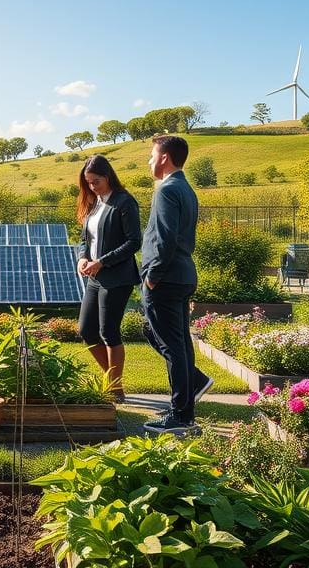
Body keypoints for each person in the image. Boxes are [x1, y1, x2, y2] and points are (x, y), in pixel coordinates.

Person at [139, 135, 213, 436]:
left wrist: (153, 274)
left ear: (165, 157)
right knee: (179, 343)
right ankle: (189, 394)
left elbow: (165, 237)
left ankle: (181, 415)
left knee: (172, 346)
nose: (149, 161)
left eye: (151, 155)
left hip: (166, 279)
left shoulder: (167, 189)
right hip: (182, 275)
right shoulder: (186, 188)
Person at [75, 155, 141, 402]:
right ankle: (111, 380)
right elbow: (85, 239)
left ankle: (115, 387)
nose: (92, 186)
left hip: (117, 278)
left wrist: (102, 261)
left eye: (96, 181)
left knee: (108, 332)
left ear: (108, 176)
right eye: (88, 182)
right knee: (86, 330)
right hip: (94, 277)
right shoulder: (95, 203)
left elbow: (134, 242)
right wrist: (83, 257)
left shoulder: (125, 202)